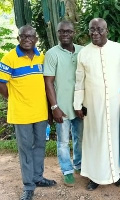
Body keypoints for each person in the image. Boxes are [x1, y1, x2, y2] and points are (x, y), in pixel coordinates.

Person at [0, 25, 56, 200]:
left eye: (30, 36)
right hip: (21, 114)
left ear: (36, 39)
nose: (27, 39)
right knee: (25, 149)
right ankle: (28, 185)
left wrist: (49, 110)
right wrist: (14, 98)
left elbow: (48, 84)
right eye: (23, 36)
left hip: (40, 112)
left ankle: (38, 177)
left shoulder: (42, 58)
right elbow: (1, 83)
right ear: (18, 39)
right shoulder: (9, 58)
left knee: (40, 146)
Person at [73, 18, 120, 191]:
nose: (95, 33)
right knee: (94, 139)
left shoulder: (118, 49)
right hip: (93, 105)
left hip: (115, 105)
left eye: (99, 29)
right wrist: (77, 104)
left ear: (107, 31)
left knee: (117, 137)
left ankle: (118, 174)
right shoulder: (84, 53)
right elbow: (79, 81)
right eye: (92, 30)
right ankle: (95, 177)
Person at [44, 21, 83, 187]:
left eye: (68, 31)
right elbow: (48, 82)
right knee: (62, 142)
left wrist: (84, 104)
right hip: (62, 108)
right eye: (61, 31)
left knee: (80, 139)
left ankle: (79, 165)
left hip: (80, 107)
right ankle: (67, 170)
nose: (64, 34)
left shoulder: (83, 51)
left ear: (74, 32)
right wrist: (54, 108)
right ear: (57, 33)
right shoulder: (52, 54)